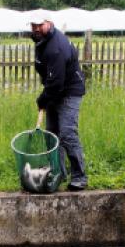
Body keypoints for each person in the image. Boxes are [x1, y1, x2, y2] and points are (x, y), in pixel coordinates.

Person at [28, 10, 88, 191]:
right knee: (52, 135)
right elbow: (51, 78)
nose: (36, 28)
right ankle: (58, 173)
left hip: (69, 92)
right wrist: (47, 96)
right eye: (33, 25)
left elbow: (56, 82)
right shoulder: (42, 40)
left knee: (68, 135)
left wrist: (42, 99)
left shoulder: (57, 47)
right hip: (55, 91)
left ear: (49, 23)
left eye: (40, 25)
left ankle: (80, 177)